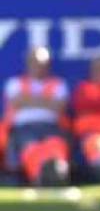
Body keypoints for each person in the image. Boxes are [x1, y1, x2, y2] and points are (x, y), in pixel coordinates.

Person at [1, 47, 71, 186]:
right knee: (31, 148)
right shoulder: (14, 83)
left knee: (55, 145)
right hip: (23, 128)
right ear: (29, 63)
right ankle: (40, 176)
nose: (39, 67)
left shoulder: (59, 84)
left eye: (43, 63)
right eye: (35, 63)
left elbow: (59, 106)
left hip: (52, 127)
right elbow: (16, 102)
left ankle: (57, 173)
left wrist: (28, 100)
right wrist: (47, 101)